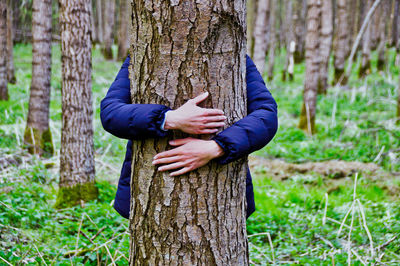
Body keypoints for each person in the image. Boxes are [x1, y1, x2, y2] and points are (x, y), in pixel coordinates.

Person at [100, 55, 278, 219]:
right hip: (148, 193)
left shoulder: (236, 56)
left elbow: (266, 115)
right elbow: (111, 113)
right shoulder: (140, 54)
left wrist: (217, 147)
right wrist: (168, 119)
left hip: (223, 187)